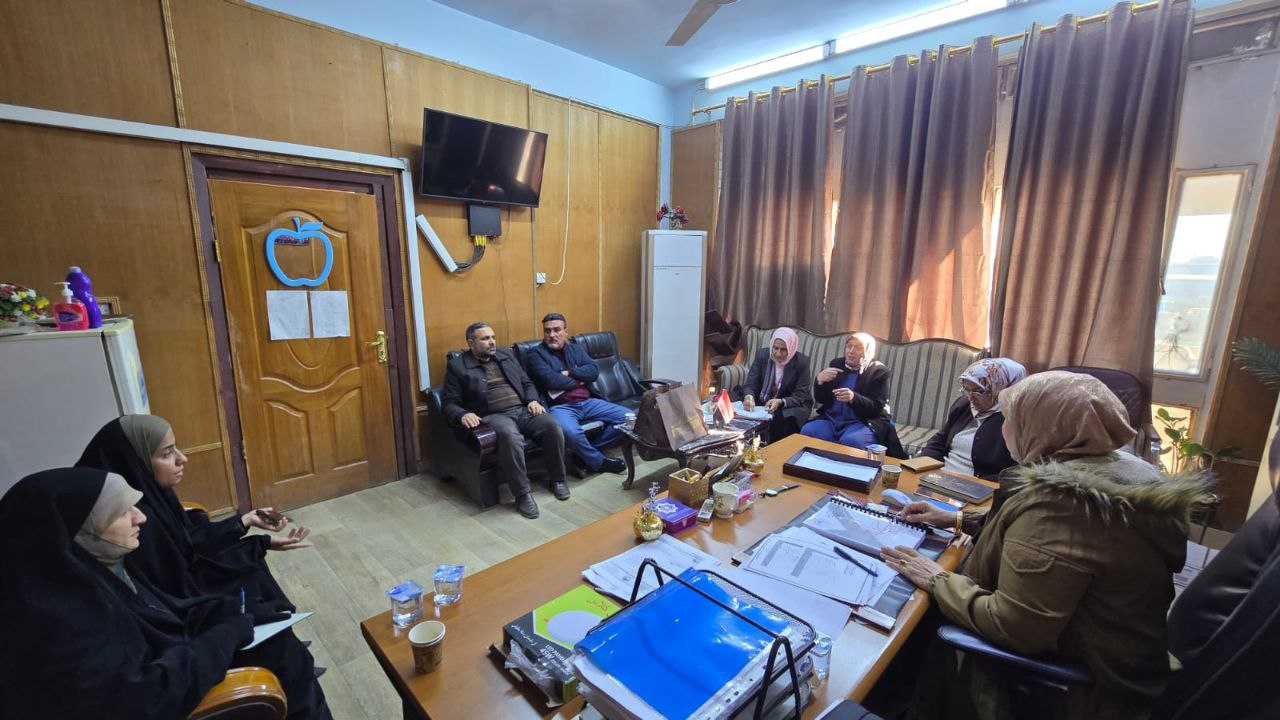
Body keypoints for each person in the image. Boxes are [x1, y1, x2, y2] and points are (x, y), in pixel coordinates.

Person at [882, 371, 1211, 719]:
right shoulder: (1119, 472)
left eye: (1010, 420)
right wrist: (957, 519)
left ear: (1042, 427)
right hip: (1119, 653)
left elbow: (1013, 626)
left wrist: (936, 578)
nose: (1003, 430)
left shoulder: (1061, 507)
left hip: (1081, 692)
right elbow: (1037, 536)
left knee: (906, 616)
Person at [0, 467, 330, 719]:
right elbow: (146, 698)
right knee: (283, 656)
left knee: (278, 642)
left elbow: (162, 612)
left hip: (169, 665)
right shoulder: (58, 623)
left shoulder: (90, 569)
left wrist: (236, 613)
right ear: (76, 530)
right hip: (165, 697)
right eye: (121, 512)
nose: (140, 517)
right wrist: (226, 634)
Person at [77, 415, 307, 606]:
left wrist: (246, 522)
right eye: (167, 453)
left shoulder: (152, 492)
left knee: (249, 562)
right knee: (249, 572)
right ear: (135, 460)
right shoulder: (136, 517)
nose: (182, 458)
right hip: (178, 598)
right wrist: (255, 540)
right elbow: (182, 570)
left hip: (183, 577)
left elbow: (184, 539)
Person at [441, 321, 568, 519]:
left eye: (493, 337)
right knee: (510, 436)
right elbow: (449, 403)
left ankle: (558, 479)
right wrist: (463, 414)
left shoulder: (505, 355)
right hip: (493, 416)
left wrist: (533, 400)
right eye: (485, 339)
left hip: (522, 410)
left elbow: (527, 382)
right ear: (471, 343)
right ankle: (522, 494)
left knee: (552, 425)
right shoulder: (458, 366)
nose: (492, 342)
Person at [522, 313, 628, 475]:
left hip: (588, 401)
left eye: (557, 330)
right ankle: (598, 462)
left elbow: (593, 371)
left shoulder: (575, 349)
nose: (552, 335)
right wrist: (579, 380)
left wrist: (569, 373)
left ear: (565, 331)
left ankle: (585, 454)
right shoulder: (535, 354)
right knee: (571, 432)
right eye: (547, 331)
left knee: (629, 419)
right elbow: (551, 381)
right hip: (560, 407)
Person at [918, 358, 1027, 481]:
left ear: (1002, 389)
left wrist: (974, 485)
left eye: (978, 391)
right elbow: (939, 441)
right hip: (939, 478)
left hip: (977, 486)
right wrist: (925, 468)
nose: (970, 398)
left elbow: (1017, 472)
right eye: (967, 389)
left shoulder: (1015, 420)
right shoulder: (964, 405)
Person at [801, 332, 905, 457]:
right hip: (832, 420)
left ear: (867, 351)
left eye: (858, 348)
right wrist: (819, 381)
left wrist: (853, 398)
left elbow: (876, 409)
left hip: (862, 422)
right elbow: (821, 399)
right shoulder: (837, 364)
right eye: (849, 346)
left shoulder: (878, 372)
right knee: (808, 431)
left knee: (851, 441)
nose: (851, 351)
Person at [737, 327, 813, 441]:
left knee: (783, 420)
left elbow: (800, 395)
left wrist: (780, 401)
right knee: (737, 400)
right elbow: (751, 383)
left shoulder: (801, 362)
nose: (778, 353)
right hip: (764, 397)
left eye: (783, 349)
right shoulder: (762, 355)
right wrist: (749, 396)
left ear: (791, 348)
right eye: (775, 348)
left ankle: (774, 449)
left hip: (790, 402)